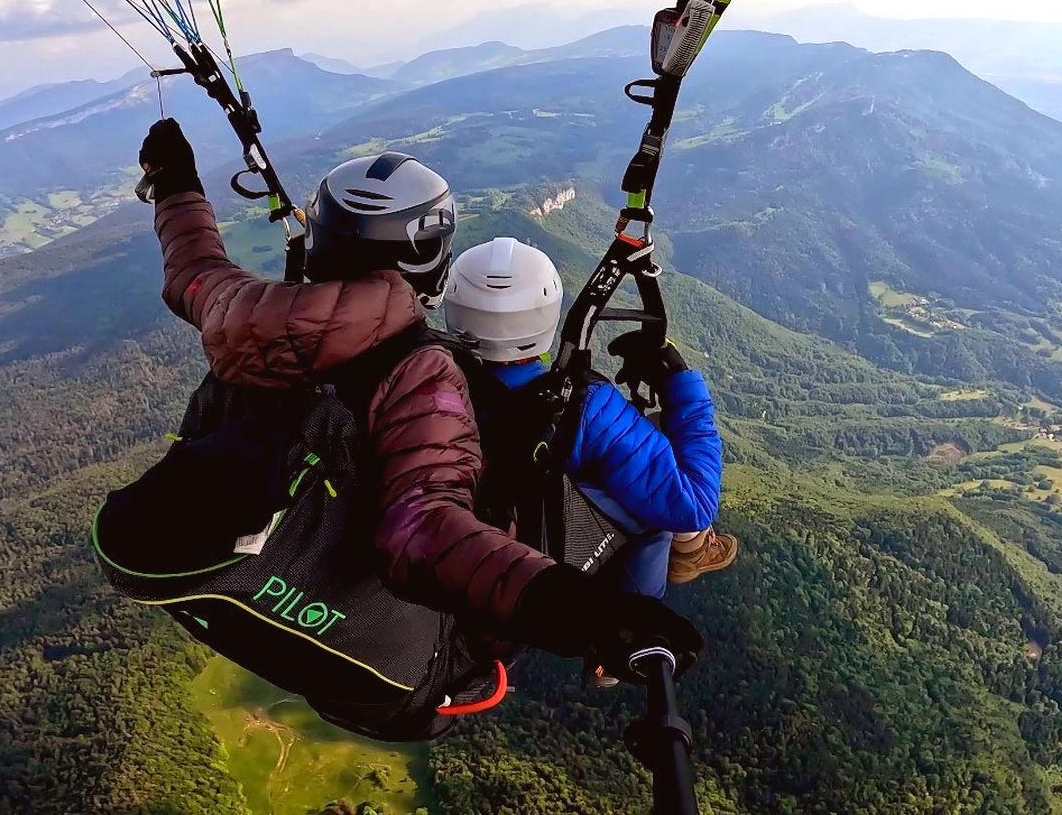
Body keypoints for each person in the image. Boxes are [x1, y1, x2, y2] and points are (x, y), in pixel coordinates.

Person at [137, 119, 701, 681]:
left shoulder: (238, 308)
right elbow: (423, 527)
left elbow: (193, 270)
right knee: (653, 509)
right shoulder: (422, 373)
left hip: (250, 545)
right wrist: (586, 614)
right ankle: (687, 555)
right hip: (432, 634)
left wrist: (174, 182)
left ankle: (690, 548)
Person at [441, 236, 739, 604]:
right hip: (555, 564)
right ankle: (643, 607)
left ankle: (687, 552)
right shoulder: (584, 407)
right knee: (663, 467)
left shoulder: (430, 386)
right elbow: (693, 504)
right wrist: (680, 382)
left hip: (473, 553)